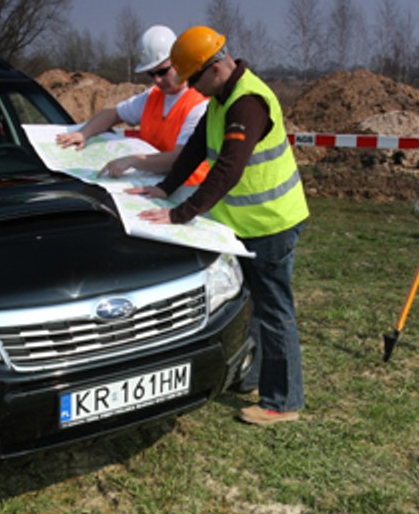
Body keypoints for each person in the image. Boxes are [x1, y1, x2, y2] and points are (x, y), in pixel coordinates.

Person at [128, 25, 311, 426]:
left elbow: (227, 169)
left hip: (271, 223)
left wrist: (181, 213)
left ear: (214, 68)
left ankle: (283, 401)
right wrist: (165, 189)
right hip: (248, 224)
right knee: (255, 304)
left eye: (193, 78)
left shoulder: (247, 103)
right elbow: (197, 148)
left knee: (275, 310)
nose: (189, 86)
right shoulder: (222, 98)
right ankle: (256, 378)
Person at [56, 25, 209, 184]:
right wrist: (84, 133)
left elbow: (179, 159)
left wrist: (134, 161)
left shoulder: (199, 104)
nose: (157, 80)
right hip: (155, 186)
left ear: (180, 62)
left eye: (162, 72)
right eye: (151, 74)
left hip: (190, 191)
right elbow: (113, 113)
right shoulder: (152, 96)